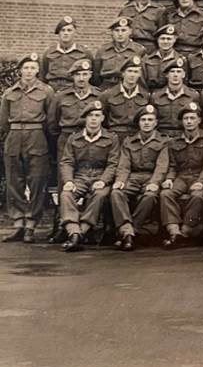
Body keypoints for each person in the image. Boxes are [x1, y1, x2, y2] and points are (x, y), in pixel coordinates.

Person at [2, 54, 55, 242]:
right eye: (26, 68)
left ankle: (31, 224)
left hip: (36, 136)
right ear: (19, 71)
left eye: (33, 68)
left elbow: (51, 120)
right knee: (14, 181)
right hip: (14, 136)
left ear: (38, 70)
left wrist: (47, 142)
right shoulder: (9, 93)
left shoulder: (47, 92)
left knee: (36, 181)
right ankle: (18, 222)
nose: (29, 71)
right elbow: (3, 122)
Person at [57, 100, 117, 252]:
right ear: (85, 118)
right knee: (66, 194)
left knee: (99, 195)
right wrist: (69, 181)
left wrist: (103, 181)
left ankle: (80, 233)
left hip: (100, 175)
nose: (94, 119)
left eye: (97, 115)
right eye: (90, 116)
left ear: (103, 118)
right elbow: (67, 162)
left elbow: (113, 164)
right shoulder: (74, 138)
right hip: (80, 176)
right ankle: (73, 231)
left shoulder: (111, 138)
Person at [109, 104, 170, 251]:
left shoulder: (163, 141)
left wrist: (155, 182)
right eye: (143, 120)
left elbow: (162, 166)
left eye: (150, 120)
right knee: (116, 193)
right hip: (133, 177)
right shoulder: (129, 141)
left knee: (150, 196)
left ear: (155, 123)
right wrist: (120, 181)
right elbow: (124, 165)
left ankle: (129, 232)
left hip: (151, 177)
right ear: (138, 123)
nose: (147, 123)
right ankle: (129, 231)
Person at [157, 102, 203, 249]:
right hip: (181, 177)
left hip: (199, 176)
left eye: (192, 118)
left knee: (197, 196)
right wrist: (169, 179)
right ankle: (174, 231)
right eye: (186, 119)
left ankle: (185, 231)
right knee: (166, 193)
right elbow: (172, 166)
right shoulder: (174, 142)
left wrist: (202, 181)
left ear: (199, 120)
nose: (189, 121)